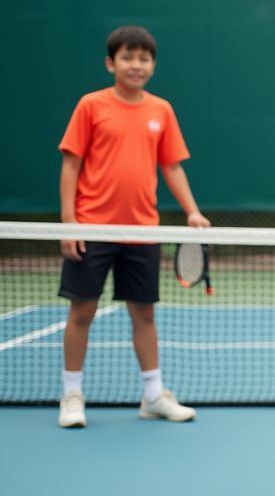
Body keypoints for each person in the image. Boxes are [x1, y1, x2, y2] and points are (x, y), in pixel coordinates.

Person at [57, 25, 210, 429]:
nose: (135, 65)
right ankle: (72, 394)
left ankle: (153, 394)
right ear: (111, 63)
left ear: (152, 66)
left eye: (143, 58)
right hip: (92, 228)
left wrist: (192, 211)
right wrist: (69, 224)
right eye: (127, 57)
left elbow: (172, 165)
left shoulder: (161, 110)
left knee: (144, 314)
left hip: (144, 230)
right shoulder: (91, 105)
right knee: (82, 311)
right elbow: (70, 164)